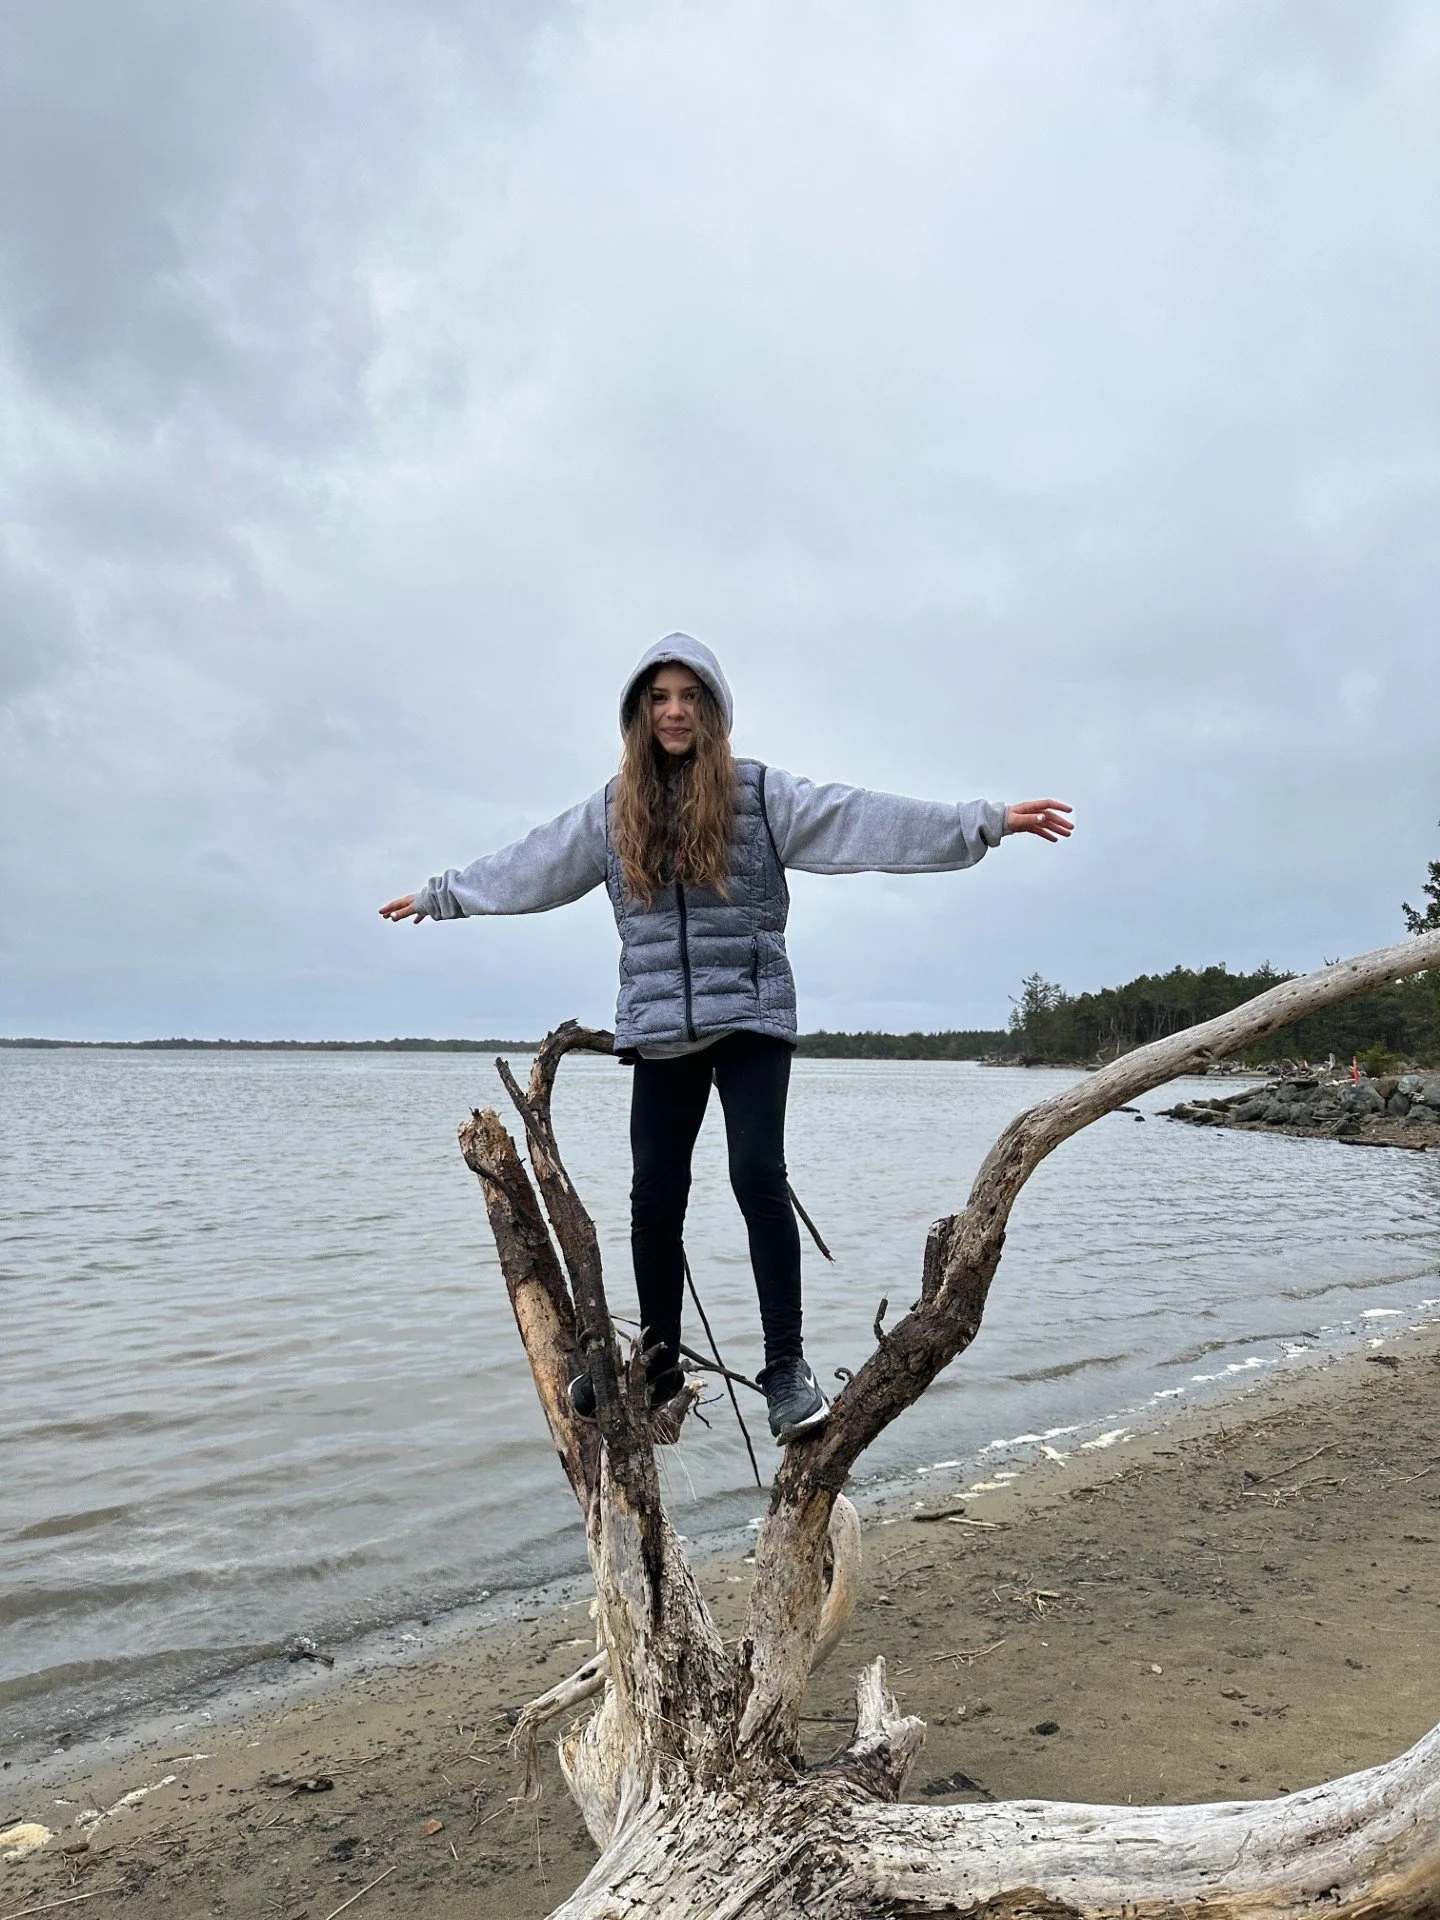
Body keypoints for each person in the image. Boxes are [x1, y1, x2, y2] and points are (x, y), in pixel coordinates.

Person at [381, 635, 1072, 1444]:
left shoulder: (761, 795)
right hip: (660, 1028)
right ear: (640, 713)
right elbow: (531, 864)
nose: (675, 712)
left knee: (756, 1176)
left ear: (713, 709)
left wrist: (981, 822)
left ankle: (786, 1370)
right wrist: (442, 896)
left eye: (690, 697)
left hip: (749, 1015)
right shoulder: (612, 809)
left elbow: (862, 819)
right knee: (654, 1198)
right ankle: (658, 1366)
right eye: (660, 698)